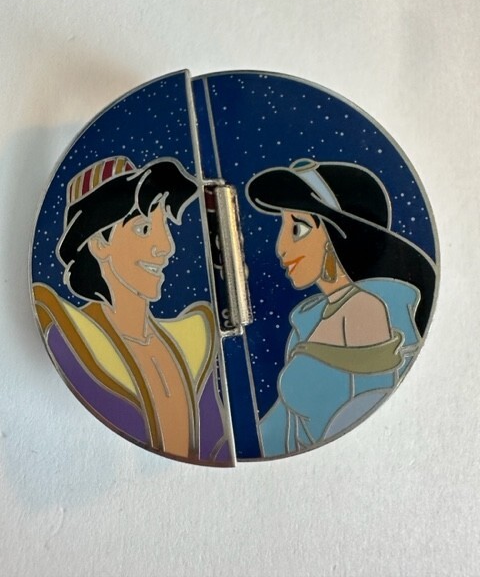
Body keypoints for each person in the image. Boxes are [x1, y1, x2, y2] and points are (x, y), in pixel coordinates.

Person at [33, 156, 232, 465]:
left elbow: (215, 449)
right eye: (143, 228)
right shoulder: (73, 340)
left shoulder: (193, 347)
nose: (165, 246)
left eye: (164, 225)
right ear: (98, 243)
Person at [246, 158, 436, 457]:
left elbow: (368, 405)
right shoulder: (307, 322)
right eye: (283, 227)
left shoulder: (365, 309)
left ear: (338, 234)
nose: (281, 247)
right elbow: (284, 422)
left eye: (298, 229)